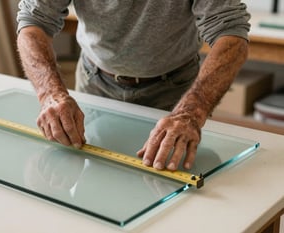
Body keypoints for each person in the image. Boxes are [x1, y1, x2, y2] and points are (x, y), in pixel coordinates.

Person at [16, 1, 250, 171]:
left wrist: (191, 113)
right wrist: (51, 94)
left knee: (169, 186)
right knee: (96, 176)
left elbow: (231, 34)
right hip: (95, 81)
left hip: (174, 89)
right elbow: (33, 22)